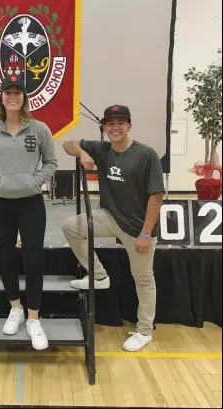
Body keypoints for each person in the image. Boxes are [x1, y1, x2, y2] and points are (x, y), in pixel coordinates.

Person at [62, 105, 165, 352]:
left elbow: (157, 196)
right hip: (110, 217)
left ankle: (144, 331)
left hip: (138, 227)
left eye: (120, 123)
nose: (115, 128)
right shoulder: (101, 149)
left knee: (143, 279)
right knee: (71, 227)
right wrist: (82, 154)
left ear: (129, 125)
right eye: (110, 123)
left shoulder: (145, 154)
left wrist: (145, 233)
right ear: (104, 127)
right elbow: (69, 143)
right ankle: (98, 276)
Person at [0, 78, 58, 351]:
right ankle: (15, 308)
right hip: (1, 203)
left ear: (24, 98)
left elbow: (51, 162)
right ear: (1, 98)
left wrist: (36, 182)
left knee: (34, 258)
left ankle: (34, 318)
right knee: (6, 256)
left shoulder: (40, 129)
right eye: (7, 93)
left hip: (31, 202)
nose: (12, 97)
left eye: (17, 93)